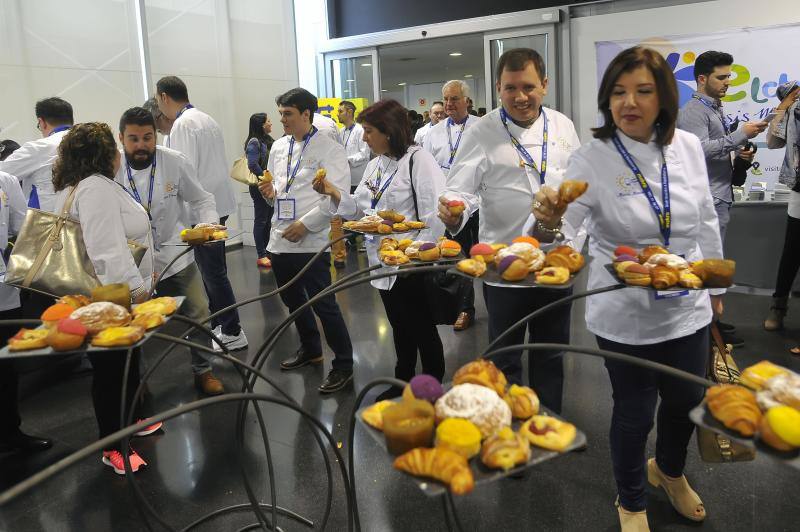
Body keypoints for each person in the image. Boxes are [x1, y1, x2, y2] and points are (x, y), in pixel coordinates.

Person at [532, 46, 722, 530]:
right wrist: (550, 226)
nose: (629, 102)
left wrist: (714, 285)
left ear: (663, 98)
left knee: (685, 402)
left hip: (686, 304)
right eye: (618, 92)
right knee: (635, 413)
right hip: (624, 311)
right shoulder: (591, 157)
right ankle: (632, 500)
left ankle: (670, 471)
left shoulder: (687, 148)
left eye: (642, 91)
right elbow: (565, 230)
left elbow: (703, 217)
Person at [438, 48, 580, 413]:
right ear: (498, 89)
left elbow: (579, 185)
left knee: (551, 354)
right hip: (504, 268)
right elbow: (459, 189)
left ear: (544, 86)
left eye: (529, 87)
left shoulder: (563, 125)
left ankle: (547, 423)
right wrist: (454, 212)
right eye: (510, 88)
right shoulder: (483, 132)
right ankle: (509, 428)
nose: (520, 97)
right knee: (505, 356)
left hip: (555, 265)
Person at [314, 99, 445, 401]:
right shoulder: (376, 164)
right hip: (382, 262)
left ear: (389, 131)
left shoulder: (419, 161)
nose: (364, 138)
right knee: (400, 326)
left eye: (369, 131)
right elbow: (360, 209)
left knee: (423, 328)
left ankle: (432, 388)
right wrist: (333, 191)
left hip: (411, 264)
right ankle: (403, 381)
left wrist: (413, 255)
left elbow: (433, 217)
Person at [52, 122, 161, 474]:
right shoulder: (94, 189)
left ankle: (131, 421)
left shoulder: (86, 186)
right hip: (109, 297)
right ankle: (112, 445)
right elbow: (106, 251)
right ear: (105, 154)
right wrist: (136, 292)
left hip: (109, 294)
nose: (120, 153)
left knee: (125, 362)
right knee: (110, 371)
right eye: (115, 148)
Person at [115, 107, 226, 396]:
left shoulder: (174, 162)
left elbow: (202, 199)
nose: (141, 145)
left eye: (147, 137)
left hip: (175, 256)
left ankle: (204, 371)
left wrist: (208, 225)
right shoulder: (110, 170)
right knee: (132, 324)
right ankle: (137, 385)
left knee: (199, 311)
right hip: (132, 262)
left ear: (156, 136)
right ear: (121, 139)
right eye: (134, 139)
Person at [257, 88, 354, 394]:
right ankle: (310, 348)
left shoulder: (329, 149)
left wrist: (306, 224)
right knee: (292, 300)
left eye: (288, 113)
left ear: (306, 115)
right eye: (281, 113)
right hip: (280, 237)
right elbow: (278, 189)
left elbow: (335, 197)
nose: (282, 119)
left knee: (323, 303)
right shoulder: (279, 147)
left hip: (309, 239)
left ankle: (344, 364)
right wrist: (270, 195)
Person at [677, 51, 767, 347]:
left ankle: (711, 322)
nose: (728, 81)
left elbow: (714, 148)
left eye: (729, 75)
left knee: (712, 262)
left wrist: (738, 150)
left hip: (719, 194)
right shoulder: (694, 111)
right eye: (722, 76)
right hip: (708, 198)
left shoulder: (713, 108)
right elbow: (698, 150)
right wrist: (739, 135)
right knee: (705, 264)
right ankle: (705, 329)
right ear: (702, 79)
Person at [155, 76, 247, 352]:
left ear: (163, 97)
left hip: (203, 209)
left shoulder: (182, 124)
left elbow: (183, 171)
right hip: (218, 204)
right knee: (214, 272)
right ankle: (221, 326)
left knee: (213, 274)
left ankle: (232, 330)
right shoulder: (206, 118)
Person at [0, 168, 52, 453]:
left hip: (4, 292)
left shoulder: (6, 181)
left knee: (6, 367)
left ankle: (9, 432)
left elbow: (23, 231)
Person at [424, 81, 481, 331]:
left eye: (455, 99)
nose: (449, 104)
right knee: (448, 257)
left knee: (469, 256)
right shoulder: (433, 133)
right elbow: (426, 168)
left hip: (474, 203)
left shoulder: (481, 128)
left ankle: (467, 309)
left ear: (467, 101)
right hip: (444, 205)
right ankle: (453, 307)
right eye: (445, 99)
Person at [763, 80, 800, 336]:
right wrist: (783, 107)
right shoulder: (792, 110)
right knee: (792, 252)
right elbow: (774, 142)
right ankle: (778, 307)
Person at [0, 97, 73, 211]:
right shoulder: (94, 146)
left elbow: (2, 173)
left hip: (49, 223)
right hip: (88, 219)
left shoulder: (39, 148)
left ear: (41, 122)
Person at [335, 100, 372, 265]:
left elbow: (364, 154)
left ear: (349, 112)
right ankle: (350, 238)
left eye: (341, 111)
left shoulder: (359, 130)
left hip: (359, 177)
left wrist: (346, 160)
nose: (338, 113)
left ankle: (364, 238)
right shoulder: (341, 131)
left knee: (362, 207)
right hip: (345, 178)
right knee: (346, 207)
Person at [244, 112, 275, 269]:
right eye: (268, 121)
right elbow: (252, 164)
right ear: (261, 125)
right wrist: (265, 177)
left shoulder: (268, 141)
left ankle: (268, 251)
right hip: (259, 186)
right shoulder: (254, 142)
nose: (271, 123)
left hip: (268, 186)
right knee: (261, 220)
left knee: (269, 220)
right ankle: (261, 255)